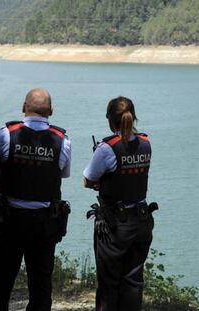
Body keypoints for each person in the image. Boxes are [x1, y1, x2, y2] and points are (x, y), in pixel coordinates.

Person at [0, 88, 72, 311]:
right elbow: (62, 173)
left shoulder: (7, 133)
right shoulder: (62, 140)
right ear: (51, 111)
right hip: (44, 222)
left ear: (24, 108)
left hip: (9, 221)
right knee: (41, 285)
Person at [83, 96, 156, 311]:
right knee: (133, 283)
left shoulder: (106, 148)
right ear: (133, 118)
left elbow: (87, 180)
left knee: (109, 284)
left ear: (110, 120)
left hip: (115, 225)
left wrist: (103, 183)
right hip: (141, 220)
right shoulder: (146, 143)